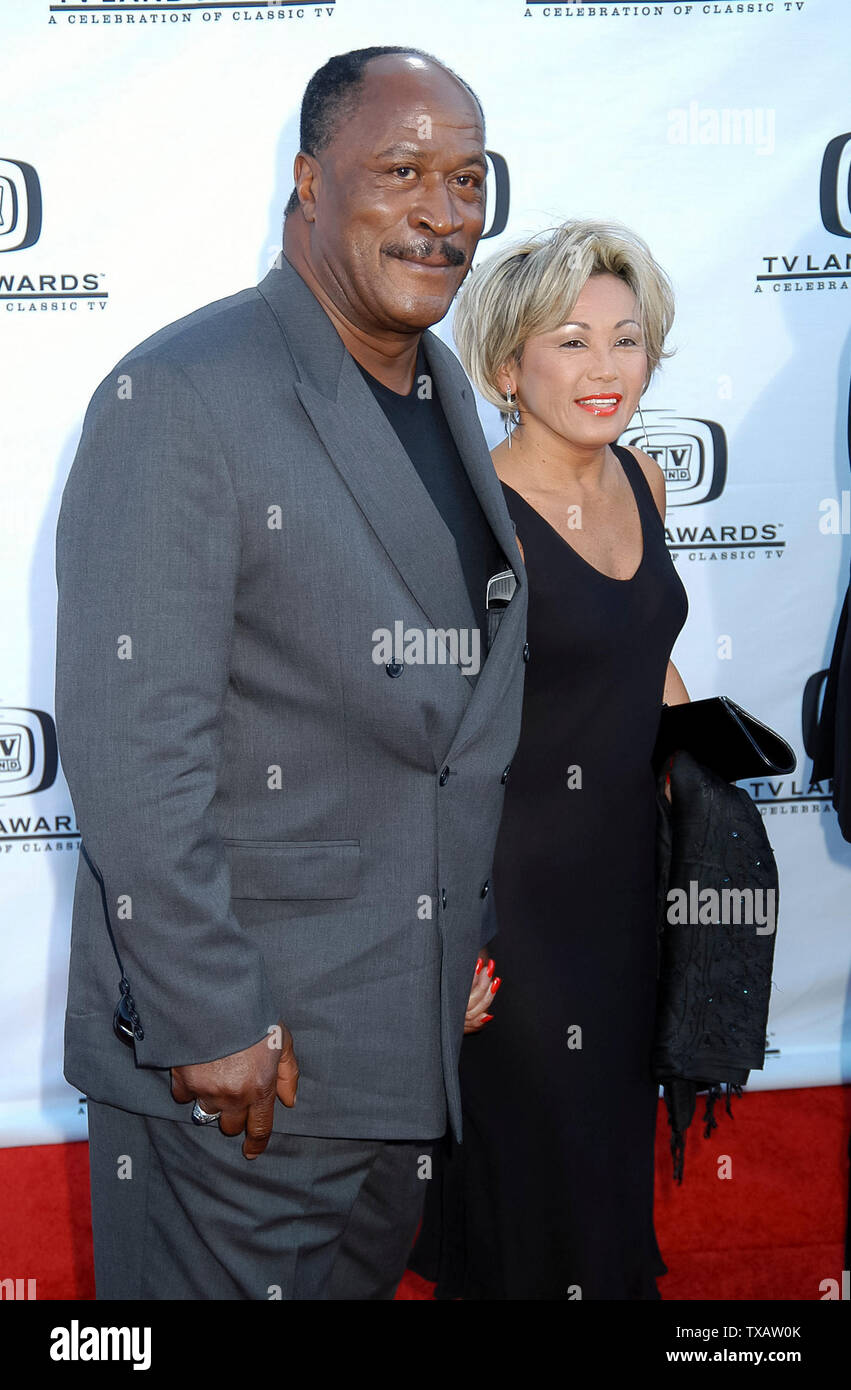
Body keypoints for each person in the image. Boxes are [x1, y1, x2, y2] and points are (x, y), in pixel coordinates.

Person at [53, 47, 527, 1301]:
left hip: (393, 1055)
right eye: (403, 171)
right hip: (244, 1071)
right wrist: (209, 1018)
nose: (444, 211)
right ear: (307, 186)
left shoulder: (442, 391)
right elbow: (130, 741)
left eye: (469, 179)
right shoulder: (184, 394)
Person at [410, 219, 691, 1300]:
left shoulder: (645, 480)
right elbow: (428, 743)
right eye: (571, 340)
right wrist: (450, 939)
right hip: (513, 906)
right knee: (532, 1181)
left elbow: (646, 664)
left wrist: (710, 768)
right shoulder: (476, 521)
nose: (606, 367)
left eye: (627, 340)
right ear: (504, 366)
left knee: (607, 1170)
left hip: (625, 890)